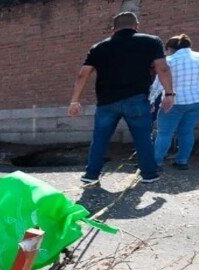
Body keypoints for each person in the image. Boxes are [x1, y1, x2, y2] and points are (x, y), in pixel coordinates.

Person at [68, 12, 173, 184]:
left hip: (106, 102)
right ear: (136, 25)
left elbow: (82, 75)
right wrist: (169, 94)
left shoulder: (98, 47)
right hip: (137, 100)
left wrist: (74, 101)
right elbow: (162, 68)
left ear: (113, 29)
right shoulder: (151, 41)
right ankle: (149, 174)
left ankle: (91, 175)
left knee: (100, 140)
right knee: (143, 139)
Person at [151, 34, 199, 170]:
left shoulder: (169, 60)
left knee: (164, 133)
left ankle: (156, 162)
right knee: (187, 132)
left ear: (169, 49)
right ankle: (182, 161)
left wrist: (150, 101)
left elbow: (159, 83)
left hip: (175, 101)